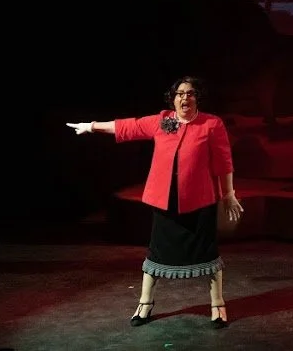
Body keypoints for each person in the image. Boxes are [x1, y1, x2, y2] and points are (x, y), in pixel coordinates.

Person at [67, 75, 244, 328]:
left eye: (190, 93)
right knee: (156, 253)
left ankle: (217, 304)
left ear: (198, 98)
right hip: (166, 202)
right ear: (173, 99)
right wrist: (92, 126)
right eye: (180, 93)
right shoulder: (163, 121)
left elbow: (224, 162)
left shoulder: (211, 124)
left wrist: (228, 194)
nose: (185, 98)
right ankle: (145, 303)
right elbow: (130, 127)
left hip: (199, 201)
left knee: (207, 253)